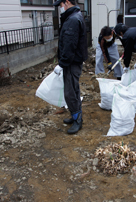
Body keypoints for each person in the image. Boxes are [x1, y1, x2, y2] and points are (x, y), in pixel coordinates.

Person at [53, 0, 88, 134]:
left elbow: (69, 44)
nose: (60, 8)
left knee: (71, 91)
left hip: (72, 62)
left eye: (61, 5)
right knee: (73, 89)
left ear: (67, 2)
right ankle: (75, 115)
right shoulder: (75, 16)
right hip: (73, 61)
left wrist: (62, 63)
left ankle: (77, 120)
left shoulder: (73, 19)